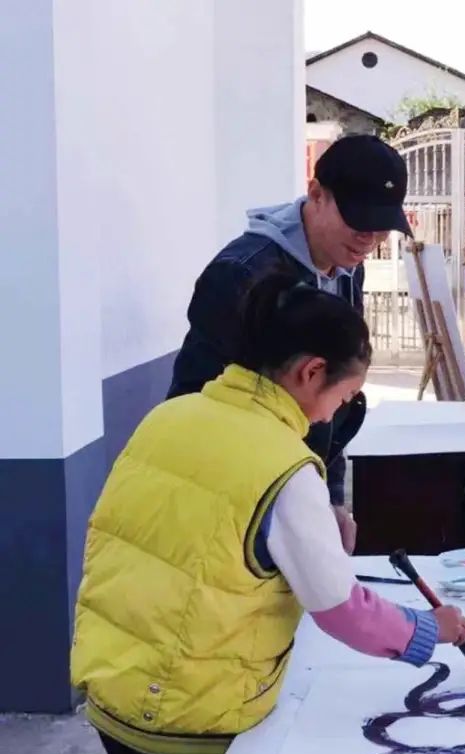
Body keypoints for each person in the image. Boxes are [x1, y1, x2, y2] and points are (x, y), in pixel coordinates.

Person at [71, 271, 465, 754]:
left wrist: (304, 531)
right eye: (346, 396)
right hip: (190, 719)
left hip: (115, 691)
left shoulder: (169, 415)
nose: (335, 413)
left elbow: (199, 537)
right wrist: (429, 628)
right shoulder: (285, 468)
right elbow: (343, 611)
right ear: (312, 372)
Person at [168, 135, 413, 551]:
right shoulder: (240, 274)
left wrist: (330, 498)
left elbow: (332, 395)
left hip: (295, 485)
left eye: (381, 228)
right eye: (358, 221)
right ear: (316, 194)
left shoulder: (348, 267)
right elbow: (195, 401)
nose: (368, 241)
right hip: (234, 501)